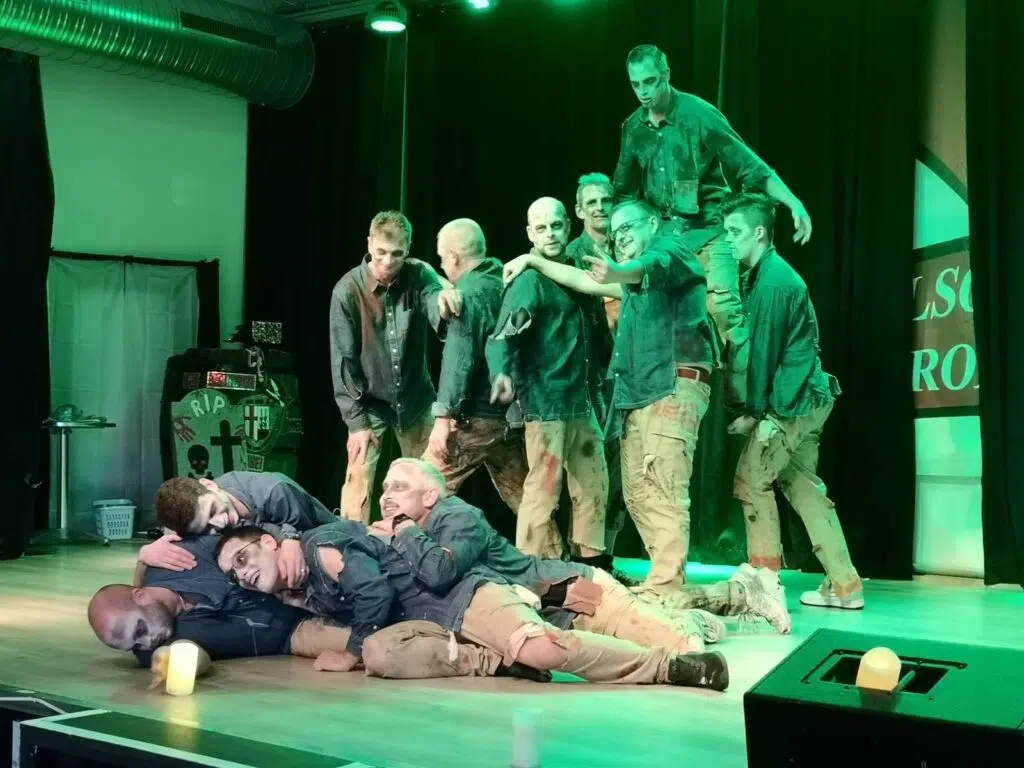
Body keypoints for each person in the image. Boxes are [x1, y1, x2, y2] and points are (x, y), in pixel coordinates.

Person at [502, 199, 734, 604]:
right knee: (639, 491)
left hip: (671, 386)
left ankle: (667, 588)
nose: (620, 236)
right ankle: (662, 583)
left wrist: (616, 271)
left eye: (629, 227)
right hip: (640, 394)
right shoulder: (632, 278)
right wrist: (532, 260)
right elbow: (585, 281)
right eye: (616, 232)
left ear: (653, 223)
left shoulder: (668, 248)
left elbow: (646, 266)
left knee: (661, 487)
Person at [216, 521, 730, 689]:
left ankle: (670, 666)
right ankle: (497, 661)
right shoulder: (294, 584)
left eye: (243, 557)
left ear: (268, 541)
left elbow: (374, 592)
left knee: (544, 649)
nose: (243, 573)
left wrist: (347, 651)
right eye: (234, 573)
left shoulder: (319, 549)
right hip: (431, 623)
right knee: (380, 654)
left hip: (464, 598)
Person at [372, 458, 791, 647]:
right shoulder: (413, 533)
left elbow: (440, 572)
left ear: (430, 496)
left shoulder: (457, 517)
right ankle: (723, 601)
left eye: (399, 488)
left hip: (575, 593)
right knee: (652, 606)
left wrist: (401, 528)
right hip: (558, 610)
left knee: (671, 635)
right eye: (385, 488)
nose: (386, 496)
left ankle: (739, 595)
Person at [613, 44, 812, 384]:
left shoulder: (700, 115)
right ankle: (669, 396)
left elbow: (749, 164)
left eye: (650, 81)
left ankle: (749, 401)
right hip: (665, 239)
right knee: (657, 317)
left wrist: (794, 202)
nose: (644, 91)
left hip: (708, 229)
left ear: (666, 75)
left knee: (724, 312)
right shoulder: (634, 128)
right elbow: (624, 190)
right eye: (636, 84)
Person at [88, 532, 510, 682]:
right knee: (378, 644)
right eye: (132, 646)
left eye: (139, 630)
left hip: (307, 584)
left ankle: (494, 610)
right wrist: (175, 663)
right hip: (294, 631)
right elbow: (194, 659)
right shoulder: (154, 650)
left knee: (392, 597)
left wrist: (289, 539)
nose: (145, 642)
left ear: (140, 593)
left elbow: (252, 522)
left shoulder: (178, 557)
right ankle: (491, 658)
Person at [720, 193, 863, 610]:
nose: (727, 239)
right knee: (802, 487)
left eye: (734, 231)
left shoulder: (773, 284)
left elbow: (763, 356)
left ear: (759, 233)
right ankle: (846, 585)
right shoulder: (767, 277)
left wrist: (753, 413)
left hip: (792, 404)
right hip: (808, 399)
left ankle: (765, 586)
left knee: (752, 481)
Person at [485, 197, 609, 569]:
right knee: (543, 489)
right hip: (547, 402)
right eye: (541, 228)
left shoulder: (578, 270)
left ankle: (592, 568)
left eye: (556, 225)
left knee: (594, 485)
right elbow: (502, 336)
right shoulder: (529, 280)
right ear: (530, 233)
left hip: (581, 400)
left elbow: (598, 333)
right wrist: (501, 373)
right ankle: (527, 570)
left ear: (568, 226)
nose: (550, 233)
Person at [330, 210, 463, 522]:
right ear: (369, 244)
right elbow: (344, 362)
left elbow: (435, 298)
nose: (388, 261)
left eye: (397, 254)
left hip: (416, 398)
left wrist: (445, 300)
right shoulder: (347, 290)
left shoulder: (418, 275)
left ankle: (426, 540)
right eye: (381, 252)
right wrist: (356, 424)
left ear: (408, 249)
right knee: (357, 482)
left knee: (432, 480)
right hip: (370, 402)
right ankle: (351, 543)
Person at [421, 218, 529, 513]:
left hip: (474, 419)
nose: (442, 265)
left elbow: (459, 361)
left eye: (442, 258)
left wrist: (442, 420)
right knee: (528, 502)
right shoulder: (507, 282)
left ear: (453, 256)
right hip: (511, 416)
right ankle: (550, 545)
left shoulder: (466, 295)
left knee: (421, 489)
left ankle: (403, 542)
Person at [566, 173, 628, 560]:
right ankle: (579, 561)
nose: (600, 208)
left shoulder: (629, 248)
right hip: (589, 377)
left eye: (606, 200)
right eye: (592, 202)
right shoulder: (573, 254)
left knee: (619, 470)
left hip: (627, 374)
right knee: (587, 468)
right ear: (579, 210)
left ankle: (605, 559)